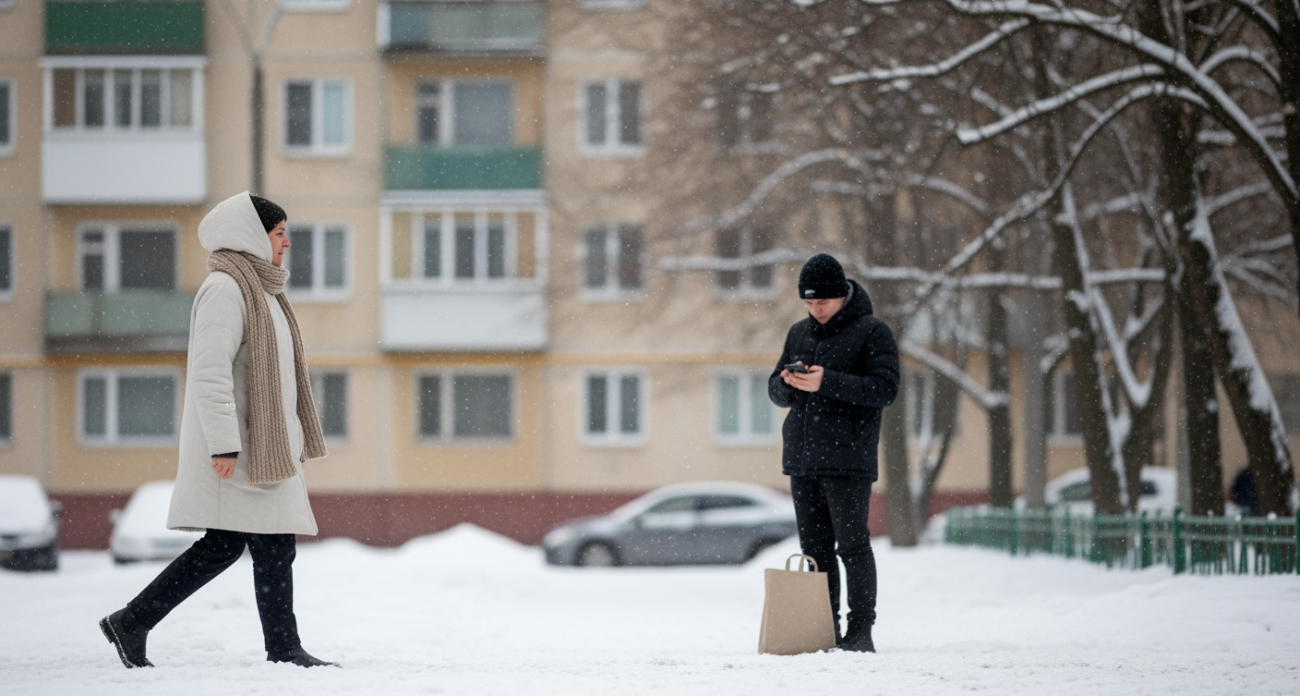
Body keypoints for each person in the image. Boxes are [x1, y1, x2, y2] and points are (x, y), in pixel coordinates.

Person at [99, 192, 336, 669]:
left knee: (253, 545)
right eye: (278, 233)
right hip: (241, 450)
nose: (287, 242)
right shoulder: (226, 289)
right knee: (242, 545)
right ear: (252, 235)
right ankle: (278, 648)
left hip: (264, 447)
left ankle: (134, 621)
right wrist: (224, 444)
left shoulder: (265, 291)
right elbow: (210, 374)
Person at [769, 253, 899, 653]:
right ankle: (823, 631)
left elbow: (884, 389)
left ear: (842, 294)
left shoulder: (873, 332)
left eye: (822, 302)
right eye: (809, 303)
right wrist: (786, 384)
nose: (816, 310)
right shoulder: (798, 333)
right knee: (815, 552)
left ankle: (860, 632)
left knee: (852, 546)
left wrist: (827, 382)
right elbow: (775, 389)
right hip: (802, 460)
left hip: (847, 459)